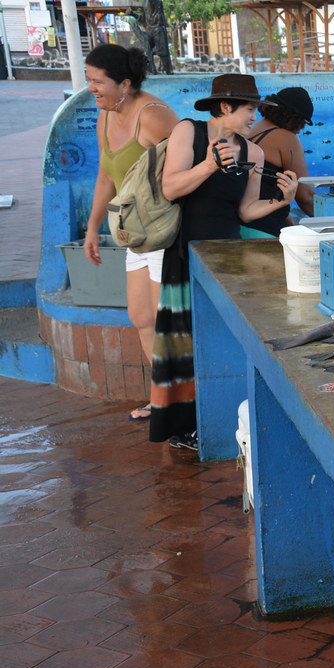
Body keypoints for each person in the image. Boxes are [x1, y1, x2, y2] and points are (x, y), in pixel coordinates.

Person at [152, 74, 299, 449]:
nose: (254, 116)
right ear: (225, 106)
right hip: (187, 250)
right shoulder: (189, 131)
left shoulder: (254, 152)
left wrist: (283, 200)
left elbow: (247, 211)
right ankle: (185, 426)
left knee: (223, 337)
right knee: (185, 339)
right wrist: (209, 165)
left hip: (228, 255)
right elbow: (170, 188)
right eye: (249, 109)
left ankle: (222, 422)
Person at [83, 44, 179, 423]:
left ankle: (179, 403)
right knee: (141, 318)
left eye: (96, 81)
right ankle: (162, 398)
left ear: (124, 83)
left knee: (165, 322)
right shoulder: (105, 117)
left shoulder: (154, 117)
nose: (90, 87)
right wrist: (93, 228)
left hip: (163, 232)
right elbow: (106, 176)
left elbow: (186, 168)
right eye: (88, 80)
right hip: (133, 234)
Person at [242, 87, 316, 237]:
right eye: (302, 123)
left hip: (240, 225)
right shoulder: (286, 139)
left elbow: (265, 188)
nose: (300, 130)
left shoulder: (251, 131)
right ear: (293, 117)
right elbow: (305, 197)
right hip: (263, 232)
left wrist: (291, 223)